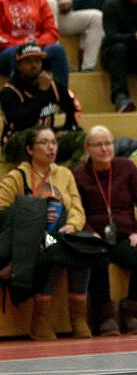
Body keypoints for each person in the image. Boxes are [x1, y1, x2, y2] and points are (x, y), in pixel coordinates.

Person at [0, 126, 90, 341]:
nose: (51, 147)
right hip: (32, 240)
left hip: (62, 233)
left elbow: (77, 206)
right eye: (44, 142)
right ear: (30, 149)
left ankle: (78, 318)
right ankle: (39, 320)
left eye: (54, 142)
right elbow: (2, 212)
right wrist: (37, 212)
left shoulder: (64, 174)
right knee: (55, 249)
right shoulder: (17, 176)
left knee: (83, 246)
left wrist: (73, 225)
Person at [74, 125, 137, 336]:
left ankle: (131, 312)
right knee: (96, 257)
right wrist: (88, 232)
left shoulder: (126, 167)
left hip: (124, 237)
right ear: (87, 149)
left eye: (108, 143)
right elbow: (75, 209)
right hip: (95, 238)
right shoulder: (79, 174)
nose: (105, 148)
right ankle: (104, 316)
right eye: (98, 145)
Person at [0, 42, 80, 164]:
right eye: (28, 62)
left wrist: (69, 127)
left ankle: (67, 174)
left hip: (47, 139)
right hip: (15, 143)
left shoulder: (52, 84)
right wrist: (42, 92)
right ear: (19, 66)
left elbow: (73, 107)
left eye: (37, 61)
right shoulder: (9, 91)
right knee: (36, 138)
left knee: (81, 138)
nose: (34, 66)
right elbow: (23, 122)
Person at [0, 0, 69, 87]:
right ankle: (22, 100)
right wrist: (23, 47)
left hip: (37, 48)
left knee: (57, 50)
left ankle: (62, 98)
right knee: (15, 52)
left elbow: (52, 31)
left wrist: (35, 45)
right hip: (8, 52)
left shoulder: (39, 0)